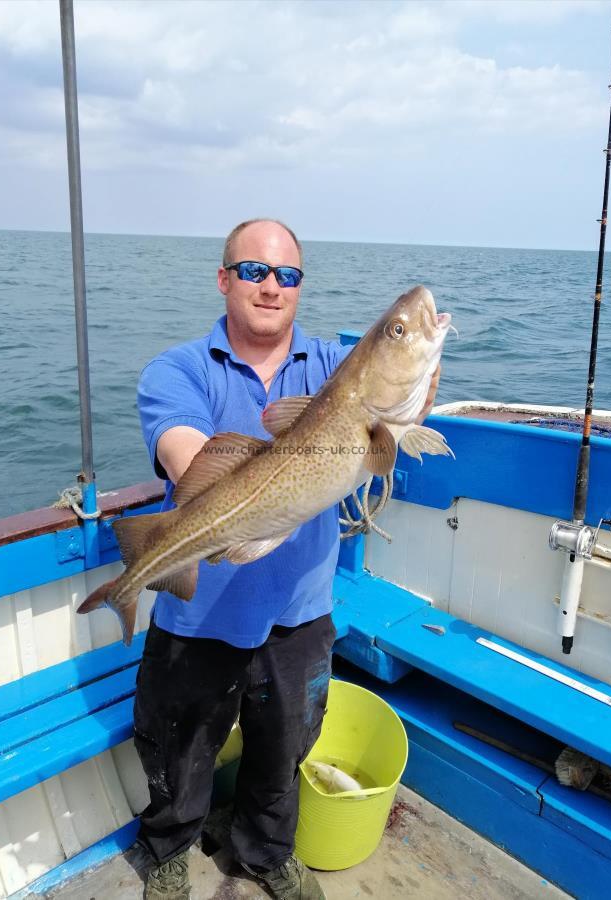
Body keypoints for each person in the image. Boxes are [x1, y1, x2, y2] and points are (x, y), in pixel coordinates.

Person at [134, 219, 440, 899]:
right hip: (198, 609)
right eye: (254, 271)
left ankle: (264, 853)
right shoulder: (177, 369)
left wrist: (411, 379)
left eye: (288, 276)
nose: (271, 287)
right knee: (178, 748)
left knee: (284, 750)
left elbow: (390, 425)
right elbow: (187, 456)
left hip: (299, 611)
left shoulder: (334, 365)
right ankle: (167, 849)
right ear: (224, 279)